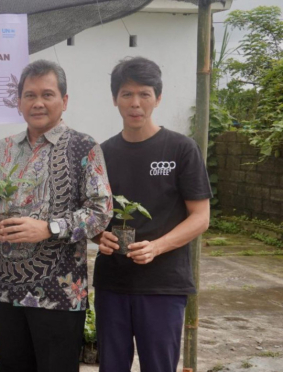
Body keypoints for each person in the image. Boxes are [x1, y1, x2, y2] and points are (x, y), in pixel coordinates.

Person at [0, 60, 113, 372]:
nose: (38, 103)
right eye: (29, 95)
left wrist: (50, 228)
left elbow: (100, 211)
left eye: (47, 94)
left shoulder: (84, 146)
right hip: (7, 291)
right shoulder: (3, 149)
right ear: (19, 102)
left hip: (59, 294)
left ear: (64, 101)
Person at [92, 56, 211, 372]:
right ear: (115, 99)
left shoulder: (180, 149)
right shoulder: (101, 154)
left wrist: (157, 246)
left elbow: (200, 216)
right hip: (112, 283)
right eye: (126, 94)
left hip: (163, 284)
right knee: (111, 366)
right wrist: (97, 235)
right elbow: (91, 213)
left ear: (158, 98)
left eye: (144, 94)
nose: (135, 103)